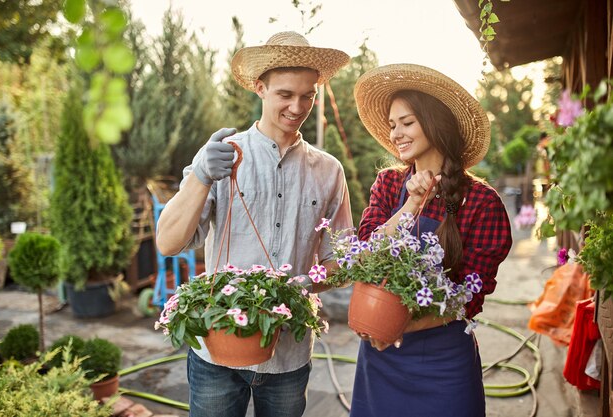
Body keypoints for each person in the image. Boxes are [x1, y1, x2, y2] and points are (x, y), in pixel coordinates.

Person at [155, 31, 352, 417]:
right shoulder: (223, 157)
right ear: (260, 88)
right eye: (285, 94)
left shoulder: (329, 171)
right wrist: (200, 176)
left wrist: (306, 283)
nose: (298, 106)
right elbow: (168, 242)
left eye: (307, 95)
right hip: (217, 353)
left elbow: (340, 259)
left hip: (288, 358)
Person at [350, 63, 513, 416]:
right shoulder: (389, 185)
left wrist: (396, 325)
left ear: (435, 124)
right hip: (381, 361)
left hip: (444, 366)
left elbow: (470, 297)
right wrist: (410, 204)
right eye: (393, 125)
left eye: (407, 123)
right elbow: (365, 257)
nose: (396, 134)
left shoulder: (483, 203)